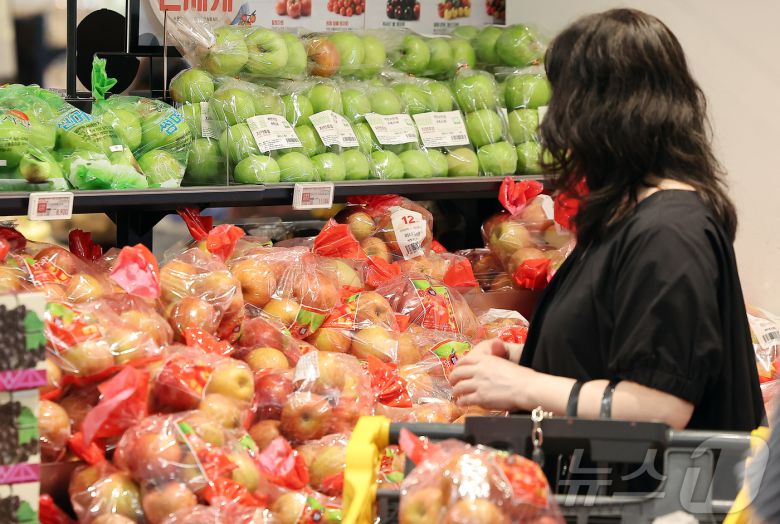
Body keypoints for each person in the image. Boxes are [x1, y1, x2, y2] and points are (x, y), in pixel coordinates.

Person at [451, 8, 765, 432]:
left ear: (597, 114)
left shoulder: (669, 233)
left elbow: (661, 406)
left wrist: (524, 385)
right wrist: (520, 358)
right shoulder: (630, 216)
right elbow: (611, 355)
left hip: (657, 496)